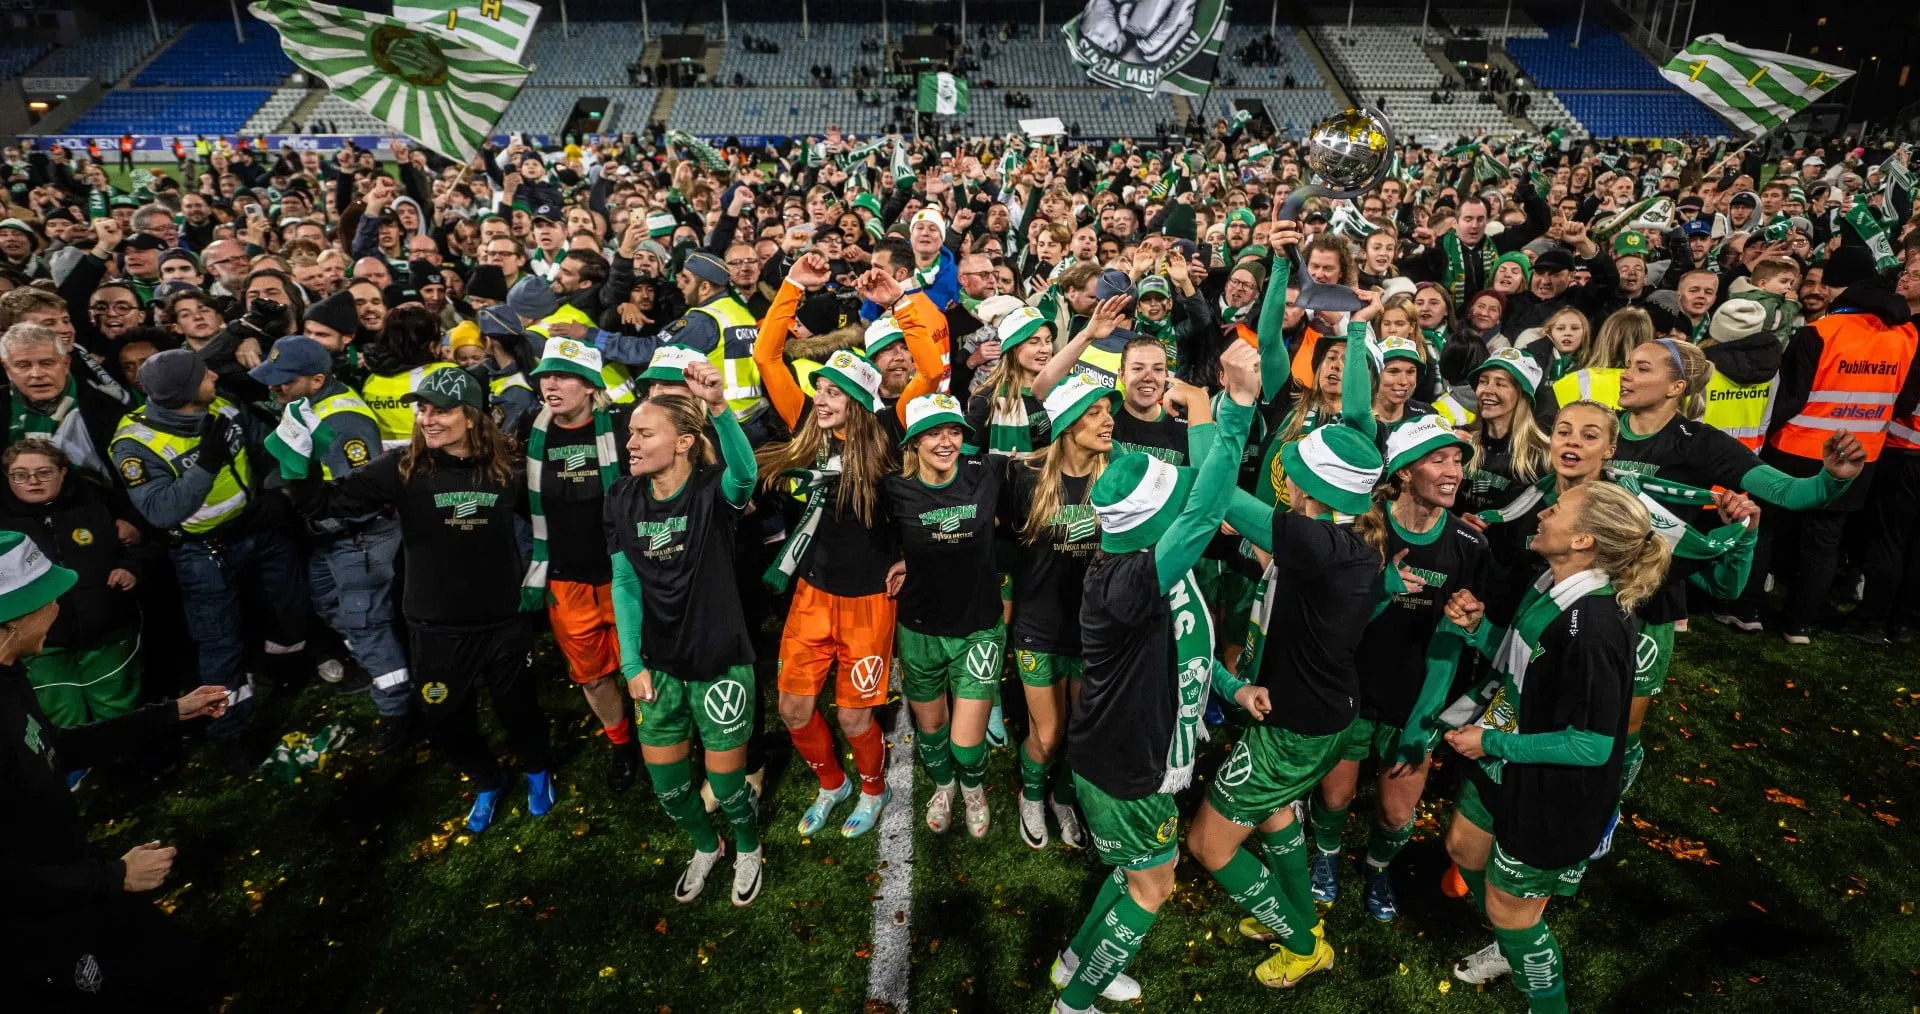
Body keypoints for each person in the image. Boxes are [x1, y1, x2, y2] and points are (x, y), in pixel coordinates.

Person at [1184, 271, 1384, 988]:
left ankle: (1302, 940)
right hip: (1314, 708)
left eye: (1295, 470)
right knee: (1274, 820)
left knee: (1208, 843)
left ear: (1311, 490)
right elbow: (1358, 420)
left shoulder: (1310, 542)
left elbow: (1216, 496)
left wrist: (1220, 411)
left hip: (1293, 725)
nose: (1287, 474)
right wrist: (1358, 329)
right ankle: (1303, 909)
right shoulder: (1349, 537)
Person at [1049, 343, 1260, 1014]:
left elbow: (1188, 655)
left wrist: (1230, 691)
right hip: (1124, 765)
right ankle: (1075, 1003)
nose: (1184, 508)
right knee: (1152, 887)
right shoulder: (1131, 583)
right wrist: (1238, 406)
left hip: (1134, 750)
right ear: (1153, 522)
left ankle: (1075, 963)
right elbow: (1205, 507)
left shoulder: (1146, 565)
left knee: (1134, 870)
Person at [277, 367, 554, 833]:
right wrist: (299, 467)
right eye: (422, 408)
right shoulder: (402, 467)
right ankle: (488, 778)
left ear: (471, 417)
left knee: (519, 709)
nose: (427, 418)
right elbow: (324, 506)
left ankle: (537, 770)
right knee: (444, 718)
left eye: (441, 409)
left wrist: (539, 573)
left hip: (502, 619)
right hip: (435, 625)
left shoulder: (507, 465)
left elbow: (547, 517)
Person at [1437, 482, 1671, 1014]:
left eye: (1557, 510)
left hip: (1552, 789)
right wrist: (1479, 630)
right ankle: (1510, 936)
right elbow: (1530, 667)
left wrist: (1490, 740)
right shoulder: (1553, 584)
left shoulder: (1595, 627)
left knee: (1513, 911)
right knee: (1463, 850)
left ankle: (1544, 996)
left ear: (1584, 539)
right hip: (1508, 763)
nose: (1543, 511)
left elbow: (1590, 746)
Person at [1, 527, 230, 1009]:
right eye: (46, 600)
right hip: (33, 925)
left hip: (69, 877)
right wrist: (113, 876)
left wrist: (171, 713)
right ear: (9, 623)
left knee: (177, 966)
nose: (58, 610)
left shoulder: (9, 675)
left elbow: (52, 749)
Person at [1303, 417, 1488, 921]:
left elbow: (1452, 643)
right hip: (1351, 689)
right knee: (1335, 794)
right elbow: (1330, 621)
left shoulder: (1470, 546)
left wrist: (1422, 723)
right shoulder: (1362, 528)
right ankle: (1327, 853)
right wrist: (1381, 590)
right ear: (1404, 472)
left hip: (1415, 696)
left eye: (1457, 461)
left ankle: (1379, 863)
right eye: (1438, 460)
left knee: (1396, 811)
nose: (1453, 472)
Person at [606, 359, 764, 906]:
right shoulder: (623, 497)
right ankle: (706, 844)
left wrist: (720, 408)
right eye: (630, 433)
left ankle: (747, 844)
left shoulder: (712, 493)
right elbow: (624, 581)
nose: (630, 442)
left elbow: (746, 475)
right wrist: (631, 664)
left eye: (644, 433)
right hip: (658, 667)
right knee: (670, 789)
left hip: (720, 662)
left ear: (683, 442)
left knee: (725, 787)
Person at [109, 348, 310, 770]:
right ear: (184, 390)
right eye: (204, 374)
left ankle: (283, 668)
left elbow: (263, 444)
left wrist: (273, 490)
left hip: (258, 527)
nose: (214, 376)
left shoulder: (221, 404)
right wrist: (207, 463)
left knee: (290, 604)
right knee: (220, 643)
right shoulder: (135, 443)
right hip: (204, 551)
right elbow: (161, 510)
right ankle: (230, 730)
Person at [755, 288, 898, 838]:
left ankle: (872, 787)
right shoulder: (803, 430)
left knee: (855, 716)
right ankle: (832, 782)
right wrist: (790, 287)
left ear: (859, 401)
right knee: (793, 709)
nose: (821, 397)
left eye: (834, 390)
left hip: (867, 599)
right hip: (811, 594)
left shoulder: (885, 438)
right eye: (819, 387)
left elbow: (930, 368)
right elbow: (769, 357)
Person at [248, 336, 415, 752]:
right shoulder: (306, 405)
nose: (274, 388)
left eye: (284, 381)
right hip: (330, 538)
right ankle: (390, 665)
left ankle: (400, 711)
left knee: (364, 621)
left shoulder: (341, 421)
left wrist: (302, 508)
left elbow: (358, 494)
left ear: (317, 379)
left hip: (356, 535)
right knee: (330, 605)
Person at [1757, 247, 1918, 643]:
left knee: (1770, 531)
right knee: (1824, 542)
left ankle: (1750, 610)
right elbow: (1904, 404)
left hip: (1795, 448)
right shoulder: (1906, 336)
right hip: (1861, 456)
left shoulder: (1820, 331)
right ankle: (1798, 624)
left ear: (1836, 287)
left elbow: (1789, 397)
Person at [1005, 373, 1122, 850]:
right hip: (1038, 628)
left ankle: (1063, 796)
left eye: (1106, 411)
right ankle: (1031, 794)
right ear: (1068, 426)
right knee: (1049, 734)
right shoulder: (1023, 476)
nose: (1108, 420)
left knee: (1084, 732)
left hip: (1094, 632)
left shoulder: (1117, 476)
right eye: (1094, 413)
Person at [519, 337, 638, 790]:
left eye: (563, 375)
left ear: (589, 384)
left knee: (640, 664)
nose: (551, 384)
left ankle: (655, 736)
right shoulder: (528, 431)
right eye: (546, 376)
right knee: (592, 677)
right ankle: (622, 745)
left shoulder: (625, 427)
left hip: (622, 572)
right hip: (565, 577)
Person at [883, 392, 1001, 837]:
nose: (946, 441)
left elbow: (1043, 464)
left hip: (979, 628)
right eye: (933, 433)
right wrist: (903, 560)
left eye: (953, 431)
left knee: (966, 745)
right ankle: (945, 786)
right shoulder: (894, 489)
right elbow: (877, 541)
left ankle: (972, 786)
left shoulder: (985, 473)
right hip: (919, 629)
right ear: (913, 442)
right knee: (931, 730)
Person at [0, 439, 149, 735]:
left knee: (118, 709)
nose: (32, 482)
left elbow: (143, 544)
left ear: (63, 472)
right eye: (20, 474)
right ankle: (77, 779)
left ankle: (127, 769)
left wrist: (131, 567)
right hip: (41, 646)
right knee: (61, 715)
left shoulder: (98, 503)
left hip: (107, 633)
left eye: (44, 472)